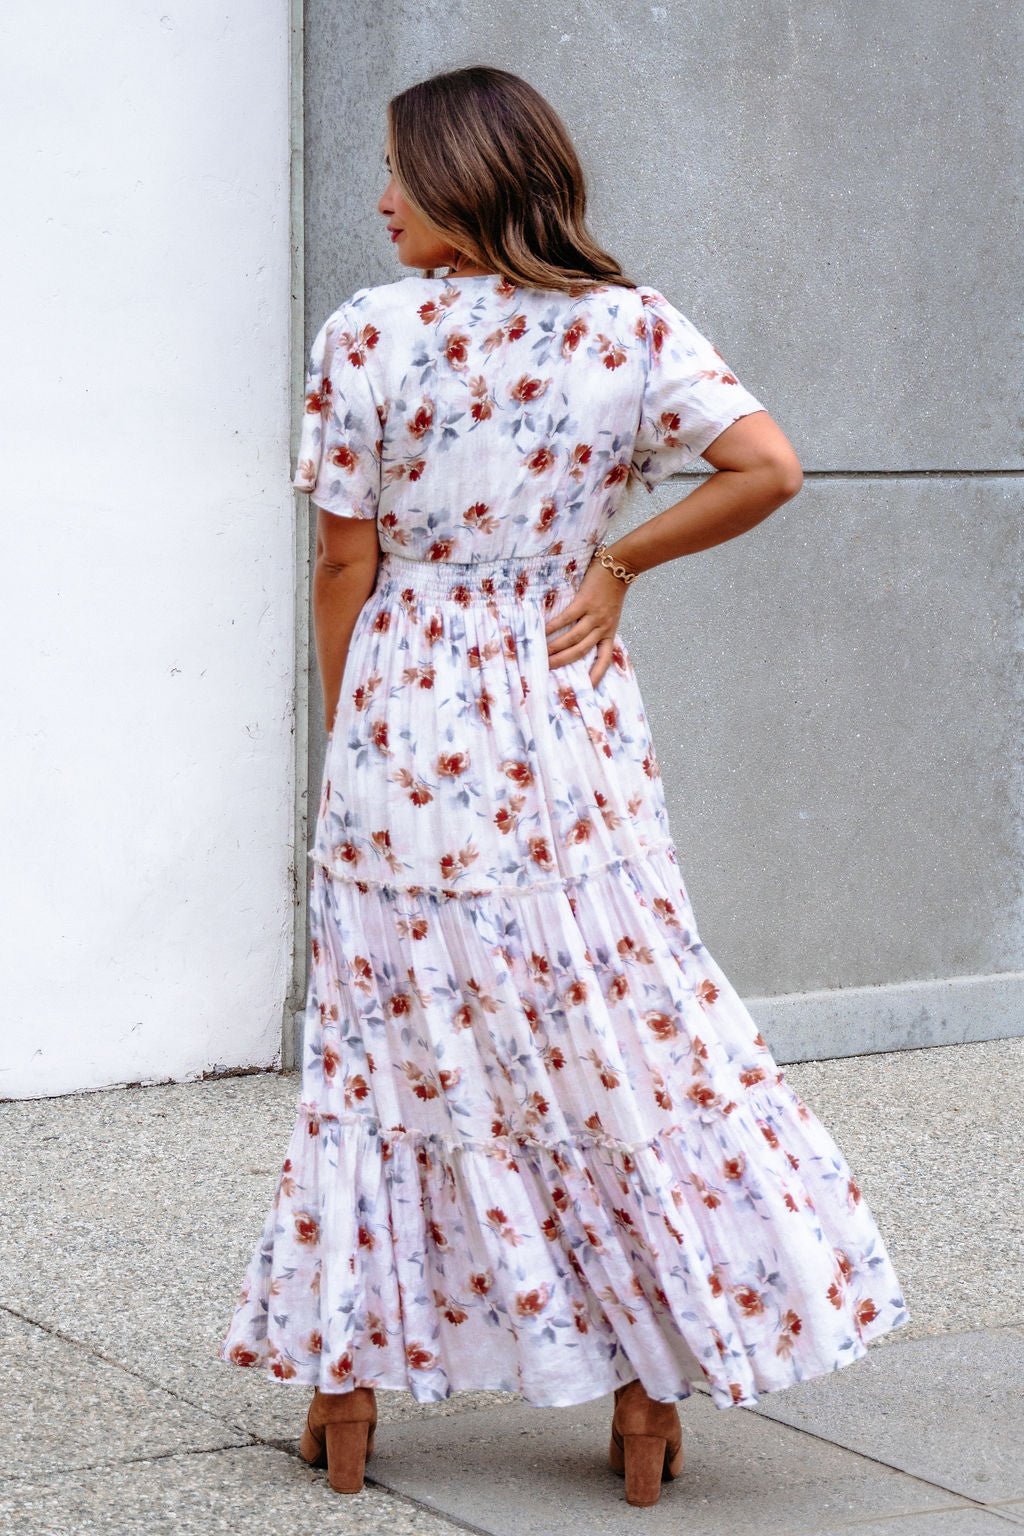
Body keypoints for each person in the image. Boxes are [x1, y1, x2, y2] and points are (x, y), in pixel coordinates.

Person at [217, 64, 910, 1509]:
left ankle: (347, 1397)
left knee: (384, 1048)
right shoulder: (632, 325)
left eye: (402, 172)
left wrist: (356, 721)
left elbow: (345, 560)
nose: (384, 197)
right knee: (614, 1025)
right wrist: (617, 560)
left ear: (462, 181)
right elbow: (768, 468)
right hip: (567, 710)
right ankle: (647, 1406)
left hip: (411, 713)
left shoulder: (372, 332)